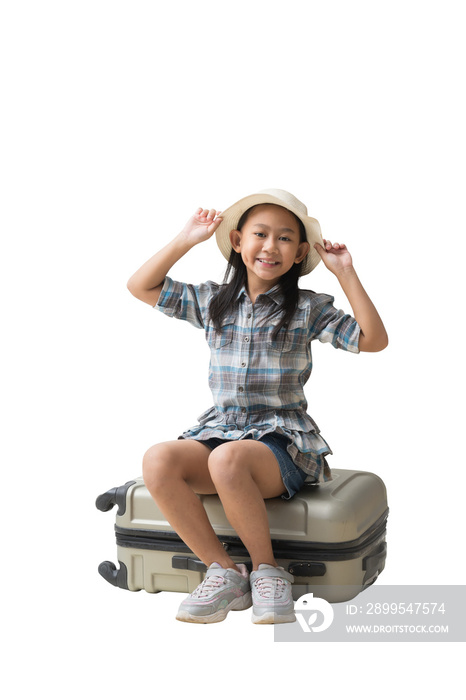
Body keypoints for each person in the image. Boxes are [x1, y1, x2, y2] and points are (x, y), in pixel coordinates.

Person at [127, 188, 388, 625]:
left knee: (229, 460)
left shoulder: (307, 308)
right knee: (158, 459)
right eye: (260, 234)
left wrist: (345, 274)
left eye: (285, 239)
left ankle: (268, 572)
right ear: (237, 241)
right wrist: (185, 239)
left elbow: (373, 340)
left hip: (280, 443)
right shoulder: (212, 302)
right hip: (220, 431)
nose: (270, 246)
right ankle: (225, 573)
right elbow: (140, 285)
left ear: (301, 252)